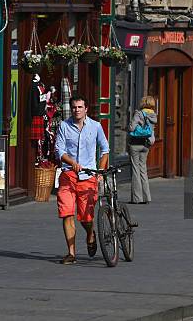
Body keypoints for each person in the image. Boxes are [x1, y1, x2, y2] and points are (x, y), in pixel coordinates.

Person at [55, 95, 109, 264]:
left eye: (80, 107)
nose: (76, 110)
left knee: (86, 217)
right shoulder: (64, 126)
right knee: (67, 213)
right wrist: (72, 163)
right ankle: (71, 253)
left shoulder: (96, 126)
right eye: (74, 107)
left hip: (88, 177)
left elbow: (105, 150)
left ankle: (90, 233)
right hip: (68, 175)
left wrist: (100, 170)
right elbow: (59, 150)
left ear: (86, 109)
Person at [128, 96, 158, 204]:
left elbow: (131, 128)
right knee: (143, 170)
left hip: (136, 143)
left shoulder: (139, 113)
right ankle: (147, 197)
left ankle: (137, 198)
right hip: (146, 144)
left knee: (135, 171)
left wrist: (131, 126)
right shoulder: (153, 115)